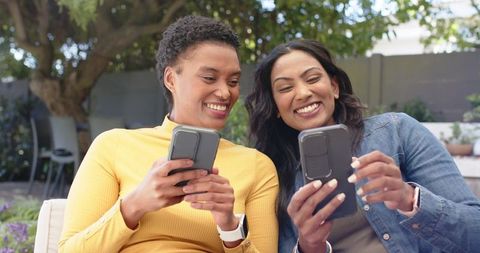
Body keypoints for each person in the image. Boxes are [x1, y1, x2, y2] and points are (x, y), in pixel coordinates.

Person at [59, 15, 279, 253]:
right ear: (171, 79)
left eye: (234, 81)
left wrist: (230, 229)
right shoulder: (113, 146)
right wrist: (133, 206)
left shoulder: (257, 166)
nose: (225, 93)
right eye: (209, 78)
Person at [246, 39, 480, 253]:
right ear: (276, 106)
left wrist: (410, 199)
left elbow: (475, 232)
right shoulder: (272, 174)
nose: (303, 93)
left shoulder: (397, 131)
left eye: (313, 78)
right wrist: (309, 246)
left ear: (334, 87)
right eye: (285, 88)